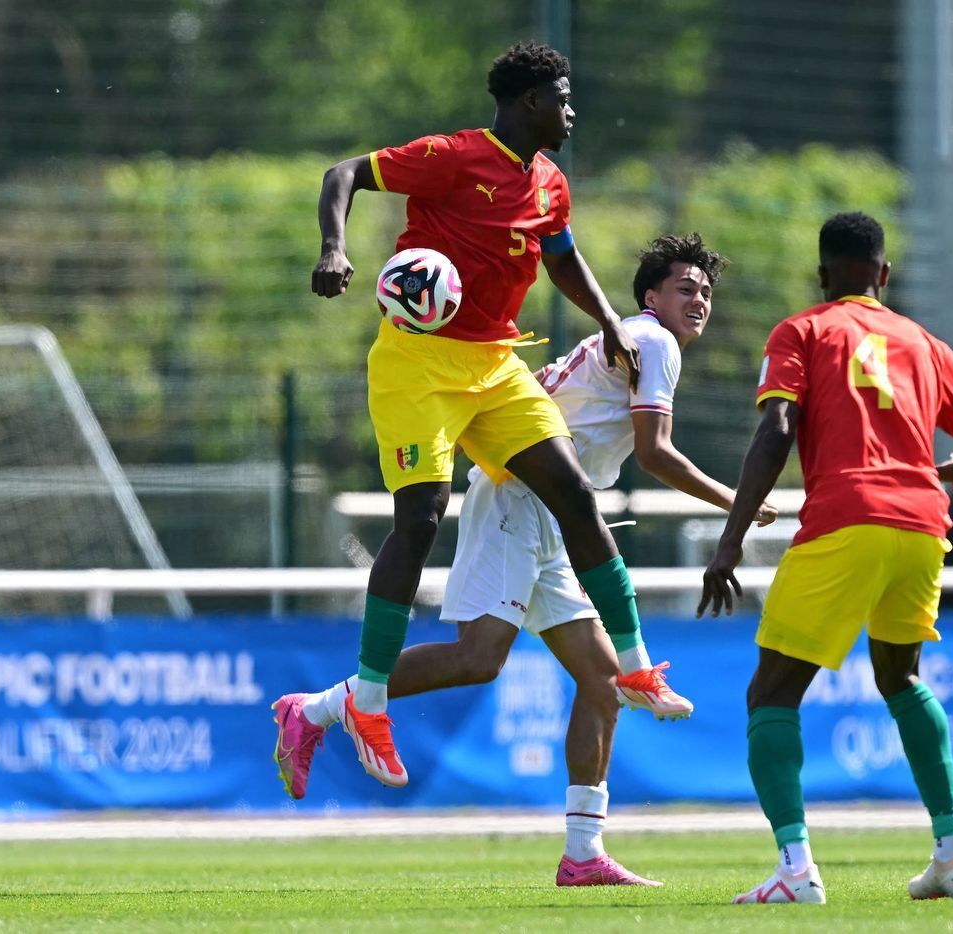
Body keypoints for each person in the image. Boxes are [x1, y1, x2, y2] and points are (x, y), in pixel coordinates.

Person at [274, 43, 674, 794]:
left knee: (575, 495)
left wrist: (611, 321)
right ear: (527, 103)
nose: (571, 111)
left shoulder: (551, 181)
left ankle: (635, 664)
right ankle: (364, 700)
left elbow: (560, 257)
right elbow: (344, 174)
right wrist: (334, 248)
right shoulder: (454, 157)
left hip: (495, 362)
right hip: (418, 362)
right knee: (419, 519)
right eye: (561, 98)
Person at [363, 233, 776, 887]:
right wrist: (739, 502)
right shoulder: (655, 342)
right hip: (521, 501)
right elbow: (655, 452)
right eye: (684, 288)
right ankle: (325, 708)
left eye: (705, 291)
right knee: (478, 660)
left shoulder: (639, 338)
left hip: (555, 514)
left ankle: (583, 852)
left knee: (603, 686)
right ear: (650, 297)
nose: (698, 299)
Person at [699, 212, 953, 905]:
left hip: (849, 517)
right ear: (884, 274)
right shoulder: (927, 344)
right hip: (926, 526)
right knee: (901, 679)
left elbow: (777, 425)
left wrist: (731, 537)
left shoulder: (803, 330)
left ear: (822, 275)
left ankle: (795, 870)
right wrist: (947, 476)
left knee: (772, 693)